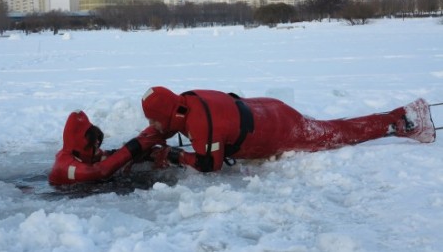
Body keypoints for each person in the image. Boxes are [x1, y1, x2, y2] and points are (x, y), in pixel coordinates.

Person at [142, 86, 436, 172]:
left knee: (337, 133)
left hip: (279, 130)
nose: (153, 127)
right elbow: (169, 123)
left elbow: (210, 163)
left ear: (169, 113)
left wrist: (174, 156)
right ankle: (401, 119)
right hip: (267, 107)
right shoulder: (190, 97)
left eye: (154, 121)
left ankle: (403, 120)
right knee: (328, 128)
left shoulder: (200, 125)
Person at [48, 110, 165, 185]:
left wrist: (143, 153)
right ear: (81, 144)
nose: (98, 144)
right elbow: (100, 171)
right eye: (94, 142)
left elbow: (110, 158)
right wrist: (135, 145)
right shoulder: (65, 165)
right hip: (66, 196)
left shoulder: (82, 154)